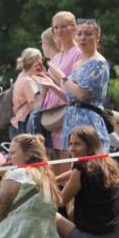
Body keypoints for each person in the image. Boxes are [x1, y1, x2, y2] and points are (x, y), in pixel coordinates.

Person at [55, 125, 119, 238]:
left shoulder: (81, 169)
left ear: (90, 145)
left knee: (49, 213)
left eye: (77, 144)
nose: (72, 149)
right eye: (71, 144)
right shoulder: (106, 163)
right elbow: (73, 173)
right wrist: (54, 180)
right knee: (75, 208)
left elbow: (60, 201)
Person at [46, 19, 111, 153]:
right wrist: (51, 85)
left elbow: (82, 94)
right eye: (79, 34)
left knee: (89, 166)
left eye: (87, 34)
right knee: (73, 164)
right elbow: (71, 97)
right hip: (71, 118)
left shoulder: (98, 63)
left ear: (97, 37)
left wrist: (62, 76)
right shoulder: (78, 64)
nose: (82, 38)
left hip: (88, 121)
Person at [38, 12, 83, 158]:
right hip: (53, 116)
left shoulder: (78, 54)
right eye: (55, 27)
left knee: (68, 159)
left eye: (63, 26)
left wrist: (51, 84)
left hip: (69, 114)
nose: (59, 31)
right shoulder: (57, 57)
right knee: (56, 161)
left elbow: (75, 89)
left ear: (74, 28)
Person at [10, 48, 44, 139]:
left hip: (18, 122)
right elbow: (36, 105)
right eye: (39, 61)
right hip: (25, 122)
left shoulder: (21, 76)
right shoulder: (28, 82)